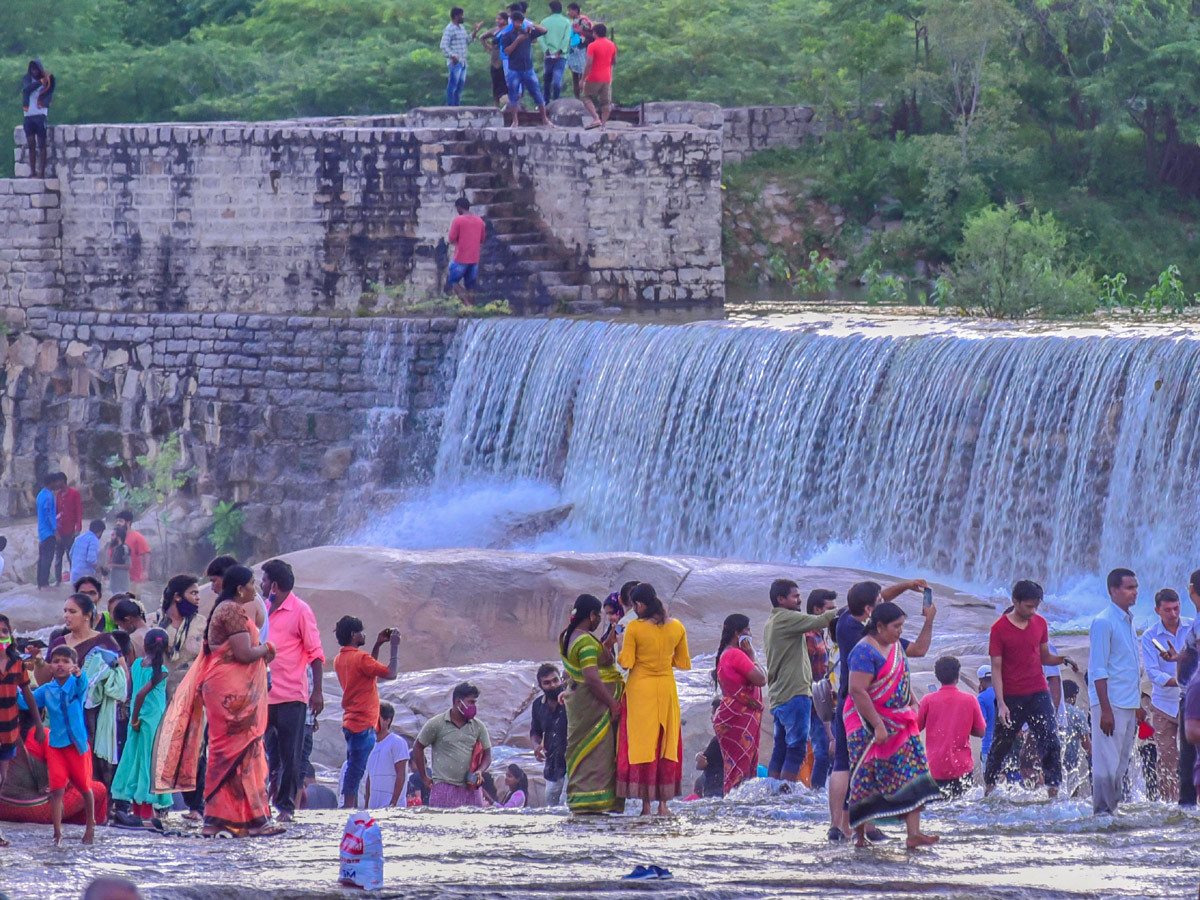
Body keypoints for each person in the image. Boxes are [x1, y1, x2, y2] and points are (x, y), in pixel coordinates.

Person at [156, 565, 282, 837]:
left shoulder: (226, 609)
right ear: (240, 588)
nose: (255, 588)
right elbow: (244, 653)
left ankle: (231, 819)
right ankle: (246, 820)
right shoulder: (231, 611)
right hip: (228, 691)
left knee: (236, 752)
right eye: (251, 584)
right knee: (236, 751)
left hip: (227, 688)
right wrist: (268, 649)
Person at [829, 577, 933, 842]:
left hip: (883, 714)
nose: (899, 630)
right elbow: (858, 689)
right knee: (861, 769)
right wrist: (877, 723)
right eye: (896, 625)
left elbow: (880, 599)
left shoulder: (848, 620)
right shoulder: (864, 645)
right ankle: (858, 830)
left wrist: (908, 585)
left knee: (905, 769)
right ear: (872, 616)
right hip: (865, 713)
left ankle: (846, 828)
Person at [984, 580, 1078, 799]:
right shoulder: (999, 629)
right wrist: (1002, 704)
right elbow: (996, 668)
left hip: (1038, 692)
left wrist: (1063, 658)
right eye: (1028, 606)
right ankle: (988, 790)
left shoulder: (1040, 624)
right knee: (1001, 745)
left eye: (1036, 606)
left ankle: (1053, 795)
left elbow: (1045, 657)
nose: (1032, 610)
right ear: (1015, 602)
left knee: (1050, 741)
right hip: (1011, 696)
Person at [617, 583, 692, 816]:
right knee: (665, 744)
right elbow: (683, 663)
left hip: (640, 690)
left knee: (642, 745)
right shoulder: (677, 626)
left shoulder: (634, 628)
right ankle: (663, 806)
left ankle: (646, 806)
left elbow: (626, 662)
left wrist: (620, 646)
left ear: (639, 605)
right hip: (667, 689)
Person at [262, 558, 325, 823]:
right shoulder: (262, 609)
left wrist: (317, 692)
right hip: (263, 695)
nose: (261, 585)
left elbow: (316, 653)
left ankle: (286, 808)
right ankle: (261, 802)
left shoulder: (301, 610)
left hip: (292, 696)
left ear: (274, 585)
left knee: (291, 754)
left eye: (264, 580)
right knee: (264, 754)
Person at [763, 579, 839, 784]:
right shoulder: (787, 618)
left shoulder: (773, 621)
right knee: (796, 747)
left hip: (781, 694)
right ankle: (786, 792)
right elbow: (820, 620)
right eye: (795, 596)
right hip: (795, 693)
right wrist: (855, 606)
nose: (799, 600)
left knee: (781, 748)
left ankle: (774, 792)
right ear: (781, 599)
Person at [560, 593, 623, 813]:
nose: (599, 621)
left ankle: (583, 800)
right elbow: (591, 678)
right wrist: (613, 704)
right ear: (591, 615)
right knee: (596, 753)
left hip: (581, 706)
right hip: (593, 709)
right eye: (598, 616)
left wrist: (607, 644)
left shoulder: (571, 636)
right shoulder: (585, 640)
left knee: (586, 752)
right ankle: (592, 801)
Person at [1088, 567, 1144, 815]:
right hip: (1110, 704)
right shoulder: (1103, 622)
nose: (1135, 592)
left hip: (1127, 703)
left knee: (1121, 763)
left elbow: (1127, 666)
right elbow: (1098, 670)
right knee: (1106, 762)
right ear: (1114, 590)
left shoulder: (1128, 620)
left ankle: (1113, 811)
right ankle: (1101, 813)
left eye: (1136, 587)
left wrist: (1138, 704)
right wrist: (1105, 711)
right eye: (1129, 588)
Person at [333, 616, 401, 809]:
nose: (364, 634)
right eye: (361, 631)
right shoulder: (360, 658)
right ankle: (348, 808)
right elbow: (391, 673)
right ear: (354, 635)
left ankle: (349, 806)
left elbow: (369, 670)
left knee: (354, 765)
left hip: (351, 721)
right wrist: (394, 646)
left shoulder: (341, 659)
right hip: (364, 723)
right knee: (356, 769)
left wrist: (378, 644)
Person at [32, 645, 96, 844]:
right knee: (57, 789)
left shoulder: (76, 685)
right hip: (56, 746)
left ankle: (90, 825)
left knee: (85, 787)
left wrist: (78, 675)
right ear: (50, 666)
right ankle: (57, 833)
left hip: (77, 746)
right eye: (57, 661)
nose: (60, 665)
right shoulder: (47, 690)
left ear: (74, 665)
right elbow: (27, 701)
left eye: (66, 661)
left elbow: (82, 683)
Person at [110, 628, 171, 829]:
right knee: (149, 765)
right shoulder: (162, 672)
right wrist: (136, 718)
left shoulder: (136, 664)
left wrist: (132, 719)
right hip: (151, 722)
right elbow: (140, 695)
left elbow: (130, 692)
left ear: (144, 645)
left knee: (135, 763)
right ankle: (145, 814)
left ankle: (137, 814)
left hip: (136, 720)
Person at [0, 613, 46, 847]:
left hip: (9, 730)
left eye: (4, 632)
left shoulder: (17, 663)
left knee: (2, 779)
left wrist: (38, 725)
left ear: (10, 636)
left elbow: (27, 694)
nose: (1, 636)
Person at [1141, 587, 1190, 803]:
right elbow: (1152, 672)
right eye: (1168, 610)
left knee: (1194, 755)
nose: (1173, 614)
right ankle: (1170, 804)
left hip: (1191, 701)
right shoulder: (1150, 636)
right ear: (1157, 610)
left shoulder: (1193, 628)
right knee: (1167, 759)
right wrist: (1180, 681)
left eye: (1176, 608)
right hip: (1162, 704)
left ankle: (1192, 802)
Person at [412, 682, 492, 808]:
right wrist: (424, 777)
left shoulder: (478, 726)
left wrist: (480, 771)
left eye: (475, 702)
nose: (474, 706)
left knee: (472, 825)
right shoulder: (437, 723)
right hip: (444, 789)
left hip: (471, 789)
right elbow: (418, 746)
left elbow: (487, 755)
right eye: (471, 702)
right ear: (458, 702)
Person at [917, 656, 986, 799]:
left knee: (939, 811)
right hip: (962, 767)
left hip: (936, 767)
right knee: (962, 809)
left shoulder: (927, 700)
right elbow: (981, 731)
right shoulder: (970, 699)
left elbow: (915, 728)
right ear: (958, 676)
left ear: (937, 676)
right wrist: (964, 727)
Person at [712, 613, 766, 794]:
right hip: (738, 717)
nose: (750, 634)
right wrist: (752, 655)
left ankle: (735, 804)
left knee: (735, 768)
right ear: (737, 633)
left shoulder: (725, 654)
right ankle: (736, 807)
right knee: (741, 769)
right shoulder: (736, 654)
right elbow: (761, 679)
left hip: (732, 715)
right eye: (747, 630)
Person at [805, 589, 837, 791]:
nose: (833, 614)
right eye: (829, 609)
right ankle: (816, 792)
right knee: (823, 751)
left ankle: (822, 792)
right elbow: (806, 671)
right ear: (817, 610)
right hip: (816, 703)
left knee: (827, 751)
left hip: (824, 700)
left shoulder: (819, 635)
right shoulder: (809, 637)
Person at [499, 10, 552, 127]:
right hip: (514, 69)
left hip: (528, 68)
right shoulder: (506, 35)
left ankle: (545, 119)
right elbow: (506, 51)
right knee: (513, 95)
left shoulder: (528, 32)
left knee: (537, 93)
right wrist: (517, 40)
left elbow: (544, 31)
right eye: (517, 22)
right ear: (513, 22)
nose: (519, 25)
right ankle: (515, 121)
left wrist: (531, 25)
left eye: (521, 22)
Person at [530, 662, 568, 806]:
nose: (552, 685)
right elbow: (535, 731)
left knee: (566, 804)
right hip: (553, 764)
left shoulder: (571, 699)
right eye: (547, 683)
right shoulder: (538, 705)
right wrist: (536, 746)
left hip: (573, 760)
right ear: (540, 686)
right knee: (551, 806)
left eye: (555, 680)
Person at [362, 702, 410, 809]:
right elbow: (369, 779)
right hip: (374, 808)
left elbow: (401, 774)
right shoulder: (370, 745)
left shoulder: (397, 742)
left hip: (392, 809)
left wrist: (393, 804)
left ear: (387, 720)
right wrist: (367, 806)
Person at [446, 197, 487, 302]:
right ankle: (472, 307)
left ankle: (467, 304)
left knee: (453, 281)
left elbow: (451, 238)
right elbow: (482, 239)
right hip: (474, 258)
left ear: (459, 207)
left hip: (460, 257)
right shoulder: (479, 221)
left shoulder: (458, 220)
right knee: (471, 285)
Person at [21, 60, 54, 179]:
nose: (34, 72)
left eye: (36, 69)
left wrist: (46, 81)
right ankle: (32, 171)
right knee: (31, 145)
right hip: (28, 115)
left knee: (41, 145)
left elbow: (50, 89)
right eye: (32, 69)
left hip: (40, 115)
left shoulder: (47, 80)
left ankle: (42, 172)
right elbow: (27, 90)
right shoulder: (27, 80)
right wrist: (40, 82)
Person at [580, 22, 616, 129]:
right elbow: (614, 61)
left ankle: (596, 118)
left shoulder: (592, 45)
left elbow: (589, 63)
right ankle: (603, 125)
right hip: (607, 77)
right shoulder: (611, 45)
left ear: (595, 33)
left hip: (593, 77)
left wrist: (583, 79)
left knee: (586, 97)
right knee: (605, 102)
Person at [1059, 679, 1091, 794]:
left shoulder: (1053, 711)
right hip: (1071, 766)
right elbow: (1086, 743)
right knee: (1072, 798)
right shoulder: (1078, 714)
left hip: (1054, 762)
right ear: (1074, 696)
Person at [439, 7, 476, 107]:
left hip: (463, 61)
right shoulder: (449, 29)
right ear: (456, 16)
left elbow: (466, 41)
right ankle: (451, 106)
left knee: (460, 86)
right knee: (453, 85)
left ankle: (457, 105)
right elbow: (443, 45)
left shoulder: (462, 28)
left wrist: (475, 32)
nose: (463, 17)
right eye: (462, 15)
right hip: (455, 62)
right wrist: (452, 56)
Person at [540, 1, 573, 102]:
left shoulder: (544, 22)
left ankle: (546, 102)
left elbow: (540, 37)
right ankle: (556, 101)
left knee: (547, 80)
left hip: (548, 55)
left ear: (551, 9)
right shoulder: (567, 22)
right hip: (561, 56)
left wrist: (546, 50)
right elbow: (566, 38)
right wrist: (560, 51)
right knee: (557, 80)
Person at [37, 473, 65, 589]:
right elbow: (49, 516)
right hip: (48, 532)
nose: (57, 485)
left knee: (42, 558)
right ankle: (44, 583)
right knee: (47, 559)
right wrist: (56, 532)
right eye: (55, 482)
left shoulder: (40, 494)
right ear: (52, 483)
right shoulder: (49, 497)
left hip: (42, 532)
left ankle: (40, 582)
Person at [479, 11, 512, 107]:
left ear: (505, 20)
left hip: (505, 59)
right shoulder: (495, 30)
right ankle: (495, 105)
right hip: (495, 57)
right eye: (497, 19)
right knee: (495, 81)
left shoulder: (509, 29)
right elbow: (482, 37)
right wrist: (487, 46)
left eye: (500, 19)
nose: (498, 21)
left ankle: (508, 104)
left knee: (505, 81)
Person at [54, 477, 83, 585]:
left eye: (58, 481)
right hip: (60, 529)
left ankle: (74, 579)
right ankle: (57, 580)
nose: (56, 484)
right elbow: (56, 511)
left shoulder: (74, 493)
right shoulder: (59, 495)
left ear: (63, 481)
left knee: (70, 555)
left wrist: (78, 527)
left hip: (70, 529)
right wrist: (55, 529)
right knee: (58, 555)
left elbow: (78, 510)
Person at [113, 511, 151, 586]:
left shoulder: (137, 537)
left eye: (120, 521)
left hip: (134, 578)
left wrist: (145, 571)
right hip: (118, 576)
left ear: (128, 522)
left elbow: (146, 554)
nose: (118, 523)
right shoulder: (115, 537)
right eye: (117, 521)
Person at [565, 4, 593, 99]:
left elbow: (592, 35)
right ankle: (577, 98)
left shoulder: (583, 20)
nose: (568, 13)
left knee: (583, 75)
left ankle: (586, 98)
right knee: (575, 75)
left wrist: (580, 31)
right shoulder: (574, 21)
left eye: (570, 11)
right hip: (575, 51)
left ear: (576, 10)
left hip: (583, 50)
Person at [69, 519, 106, 584]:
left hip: (74, 575)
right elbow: (91, 559)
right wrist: (99, 570)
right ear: (100, 532)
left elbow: (70, 554)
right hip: (86, 576)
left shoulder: (79, 538)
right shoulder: (94, 540)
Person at [695, 730, 725, 798]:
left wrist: (698, 757)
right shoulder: (744, 741)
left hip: (714, 788)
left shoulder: (719, 739)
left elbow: (700, 766)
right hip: (728, 787)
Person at [976, 665, 996, 764]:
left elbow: (981, 724)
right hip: (1008, 745)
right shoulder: (1005, 692)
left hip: (988, 746)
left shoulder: (981, 698)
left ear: (981, 681)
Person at [108, 528, 131, 594]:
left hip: (122, 585)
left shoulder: (124, 548)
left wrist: (113, 565)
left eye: (113, 535)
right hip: (114, 584)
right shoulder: (115, 548)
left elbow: (128, 565)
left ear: (118, 537)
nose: (111, 537)